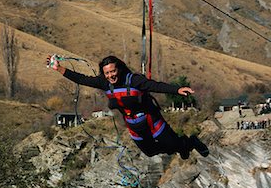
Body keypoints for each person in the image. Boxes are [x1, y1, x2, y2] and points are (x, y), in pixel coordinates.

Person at [46, 54, 209, 159]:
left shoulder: (133, 80)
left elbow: (155, 85)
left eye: (113, 71)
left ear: (119, 69)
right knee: (151, 152)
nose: (111, 76)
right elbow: (81, 79)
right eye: (107, 73)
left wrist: (177, 89)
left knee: (172, 143)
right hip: (134, 125)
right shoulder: (104, 82)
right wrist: (58, 68)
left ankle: (189, 142)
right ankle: (177, 147)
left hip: (151, 119)